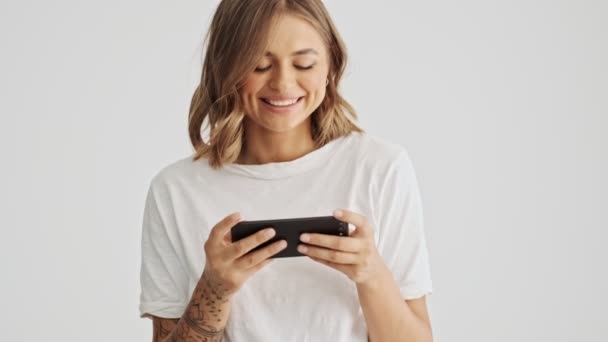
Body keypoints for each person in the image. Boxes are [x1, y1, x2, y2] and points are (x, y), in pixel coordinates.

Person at [138, 0, 434, 341]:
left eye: (304, 63)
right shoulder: (176, 191)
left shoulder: (380, 169)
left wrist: (372, 274)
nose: (282, 83)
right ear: (226, 68)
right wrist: (214, 290)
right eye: (260, 66)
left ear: (330, 65)